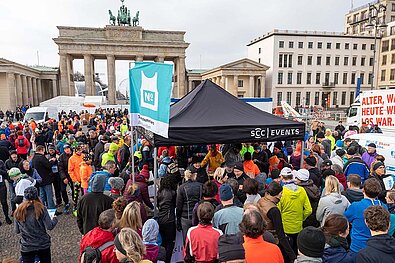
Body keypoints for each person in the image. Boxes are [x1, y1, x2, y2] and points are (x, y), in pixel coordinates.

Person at [14, 186, 58, 263]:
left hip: (27, 246)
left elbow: (17, 231)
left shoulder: (18, 211)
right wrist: (55, 219)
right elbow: (49, 226)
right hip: (43, 245)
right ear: (37, 195)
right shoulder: (41, 208)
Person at [344, 178, 388, 253]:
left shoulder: (356, 206)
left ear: (363, 190)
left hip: (357, 248)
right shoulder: (384, 207)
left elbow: (345, 219)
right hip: (377, 248)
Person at [257, 182, 296, 263]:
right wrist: (292, 255)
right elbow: (280, 234)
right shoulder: (274, 210)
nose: (282, 195)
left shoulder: (261, 200)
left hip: (262, 236)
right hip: (273, 239)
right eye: (281, 193)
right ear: (277, 194)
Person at [277, 167, 312, 254]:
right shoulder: (302, 190)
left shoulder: (281, 192)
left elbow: (278, 211)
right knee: (296, 252)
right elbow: (309, 210)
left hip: (284, 228)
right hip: (298, 227)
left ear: (282, 177)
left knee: (286, 253)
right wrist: (300, 218)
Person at [176, 169, 202, 243]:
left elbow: (179, 205)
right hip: (198, 216)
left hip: (185, 217)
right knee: (198, 240)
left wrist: (178, 220)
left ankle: (187, 254)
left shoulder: (181, 188)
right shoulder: (200, 186)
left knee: (187, 241)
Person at [157, 175, 177, 263]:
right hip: (169, 219)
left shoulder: (160, 192)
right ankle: (168, 259)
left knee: (163, 241)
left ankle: (163, 259)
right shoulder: (172, 193)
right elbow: (175, 205)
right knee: (170, 242)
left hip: (161, 218)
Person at [31, 145, 56, 210]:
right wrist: (52, 161)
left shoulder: (34, 158)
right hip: (46, 179)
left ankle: (42, 209)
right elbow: (49, 165)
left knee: (42, 196)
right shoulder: (41, 157)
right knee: (49, 195)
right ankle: (52, 209)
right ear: (41, 150)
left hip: (39, 180)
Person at [68, 143, 84, 212]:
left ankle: (83, 206)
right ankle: (75, 207)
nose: (80, 152)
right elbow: (70, 171)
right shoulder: (71, 159)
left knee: (84, 194)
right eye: (78, 150)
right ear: (75, 151)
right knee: (75, 195)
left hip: (83, 180)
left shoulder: (83, 156)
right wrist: (74, 180)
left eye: (81, 150)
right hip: (76, 180)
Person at [57, 143, 72, 213]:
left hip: (72, 175)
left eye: (68, 148)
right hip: (65, 175)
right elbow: (60, 169)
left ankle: (75, 202)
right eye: (65, 149)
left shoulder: (73, 155)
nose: (67, 150)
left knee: (75, 189)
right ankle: (66, 202)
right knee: (63, 190)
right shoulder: (61, 157)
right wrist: (64, 178)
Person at [0, 158, 12, 225]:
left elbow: (5, 172)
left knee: (4, 202)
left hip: (1, 185)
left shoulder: (1, 162)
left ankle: (6, 217)